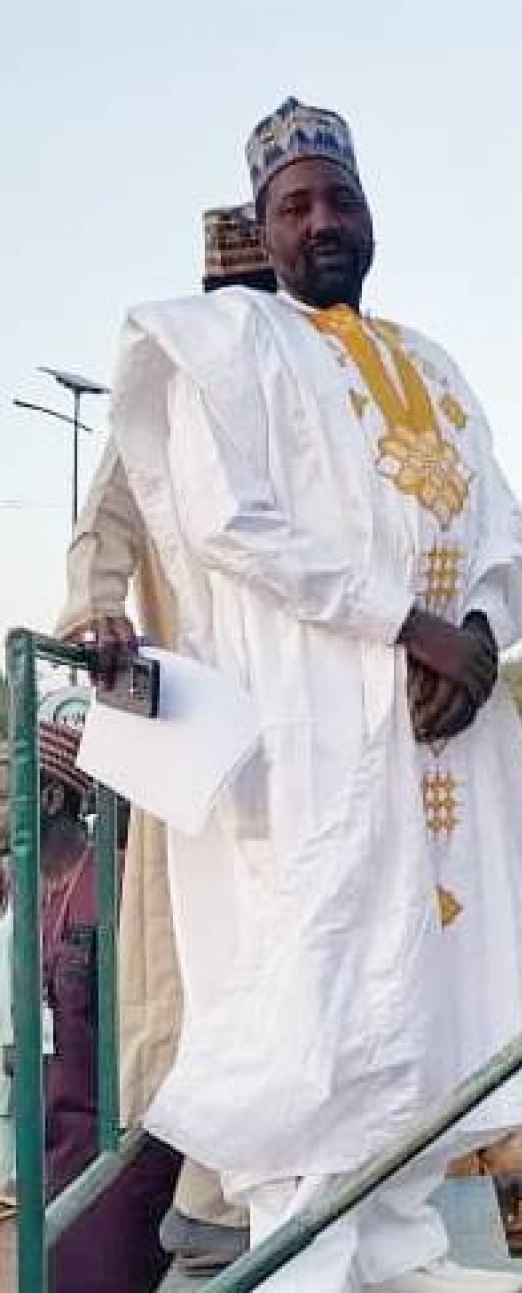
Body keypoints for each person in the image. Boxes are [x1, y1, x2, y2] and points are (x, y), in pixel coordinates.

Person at [109, 98, 522, 1292]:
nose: (323, 222)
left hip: (440, 732)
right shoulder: (233, 346)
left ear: (373, 217)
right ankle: (304, 1246)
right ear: (261, 230)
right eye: (295, 204)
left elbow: (513, 536)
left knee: (434, 975)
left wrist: (474, 637)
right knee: (318, 974)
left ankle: (402, 1236)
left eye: (340, 199)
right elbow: (232, 524)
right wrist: (408, 627)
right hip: (313, 728)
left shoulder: (433, 360)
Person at [55, 201, 275, 1273]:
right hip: (195, 745)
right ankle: (210, 1199)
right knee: (192, 979)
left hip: (308, 750)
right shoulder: (157, 412)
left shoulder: (305, 399)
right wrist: (94, 615)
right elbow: (103, 535)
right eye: (227, 304)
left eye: (259, 302)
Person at [7, 711, 184, 1290]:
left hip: (120, 1161)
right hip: (54, 1153)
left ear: (52, 795)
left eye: (3, 794)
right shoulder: (28, 899)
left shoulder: (119, 887)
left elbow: (160, 1026)